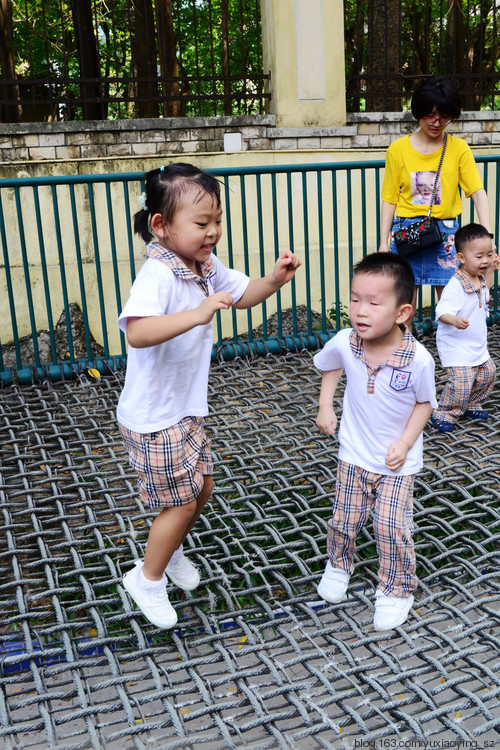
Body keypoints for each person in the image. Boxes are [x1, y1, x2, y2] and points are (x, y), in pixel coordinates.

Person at [117, 163, 301, 629]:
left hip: (185, 410)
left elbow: (242, 294)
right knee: (179, 501)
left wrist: (275, 280)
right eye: (201, 223)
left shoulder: (204, 265)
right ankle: (147, 578)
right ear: (161, 225)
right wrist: (197, 314)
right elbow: (137, 332)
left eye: (216, 221)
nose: (212, 231)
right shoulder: (158, 273)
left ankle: (169, 548)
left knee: (202, 487)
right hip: (154, 416)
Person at [314, 253, 437, 631]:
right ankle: (338, 563)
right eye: (354, 299)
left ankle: (397, 587)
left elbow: (425, 403)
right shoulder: (346, 341)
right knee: (343, 517)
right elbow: (330, 364)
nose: (360, 311)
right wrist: (325, 405)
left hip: (396, 463)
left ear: (402, 312)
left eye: (373, 302)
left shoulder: (418, 359)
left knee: (389, 525)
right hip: (354, 451)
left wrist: (405, 442)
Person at [379, 75, 494, 320]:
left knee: (451, 303)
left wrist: (488, 237)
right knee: (404, 304)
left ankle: (452, 356)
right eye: (430, 115)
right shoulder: (397, 150)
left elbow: (477, 192)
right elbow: (389, 198)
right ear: (418, 111)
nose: (436, 122)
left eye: (444, 116)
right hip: (407, 231)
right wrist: (383, 242)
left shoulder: (458, 148)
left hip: (444, 235)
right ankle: (407, 354)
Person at [431, 223, 498, 433]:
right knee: (461, 385)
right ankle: (445, 412)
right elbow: (440, 312)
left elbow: (486, 291)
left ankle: (470, 404)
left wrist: (492, 269)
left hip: (476, 345)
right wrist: (454, 320)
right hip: (456, 346)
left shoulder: (479, 279)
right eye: (479, 256)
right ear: (461, 258)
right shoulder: (455, 286)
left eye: (489, 254)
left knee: (488, 374)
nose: (485, 260)